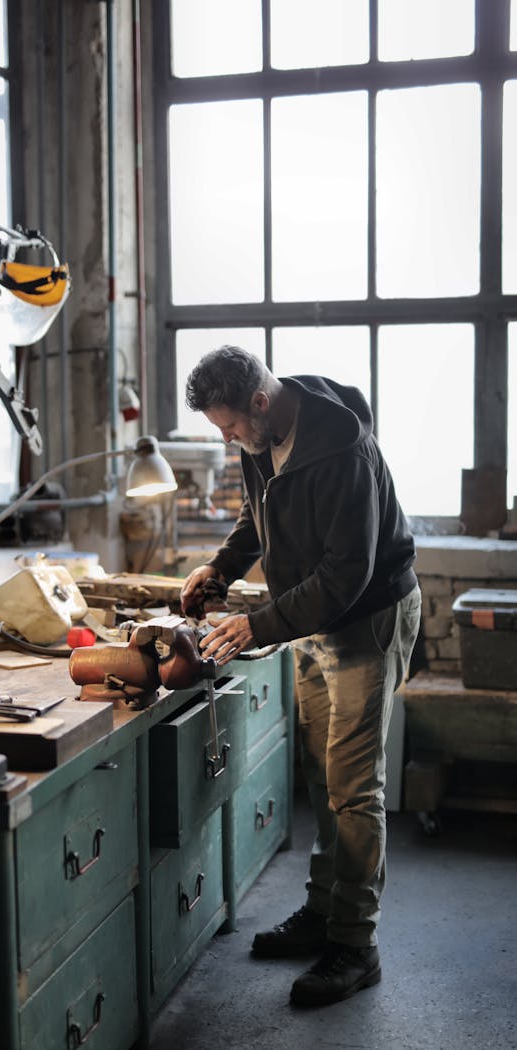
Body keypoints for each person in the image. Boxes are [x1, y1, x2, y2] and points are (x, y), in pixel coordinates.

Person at [180, 345, 421, 1008]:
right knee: (320, 774)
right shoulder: (262, 436)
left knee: (353, 788)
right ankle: (322, 913)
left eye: (230, 428)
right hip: (308, 618)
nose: (229, 441)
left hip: (364, 617)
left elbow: (347, 577)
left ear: (260, 400)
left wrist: (257, 625)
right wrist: (223, 568)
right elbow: (258, 517)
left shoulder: (342, 451)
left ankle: (355, 945)